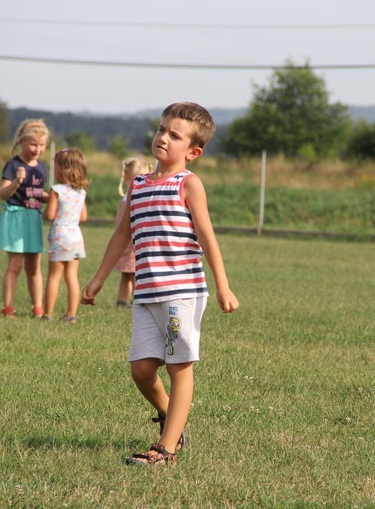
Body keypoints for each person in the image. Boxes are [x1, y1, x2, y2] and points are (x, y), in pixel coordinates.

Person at [81, 102, 239, 466]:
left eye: (175, 135)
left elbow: (207, 236)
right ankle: (173, 417)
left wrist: (223, 285)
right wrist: (98, 279)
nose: (163, 138)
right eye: (161, 129)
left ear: (193, 151)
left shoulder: (189, 184)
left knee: (178, 367)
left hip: (181, 294)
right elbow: (123, 235)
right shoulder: (137, 186)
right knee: (140, 368)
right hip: (146, 294)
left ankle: (166, 449)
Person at [0, 119, 50, 318]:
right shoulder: (13, 165)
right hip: (16, 218)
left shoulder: (42, 167)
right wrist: (16, 181)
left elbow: (37, 193)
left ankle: (38, 308)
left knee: (34, 267)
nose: (38, 149)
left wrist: (54, 198)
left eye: (42, 145)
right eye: (34, 144)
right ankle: (8, 307)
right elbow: (2, 194)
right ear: (22, 142)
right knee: (15, 265)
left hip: (33, 219)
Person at [43, 148, 91, 322]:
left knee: (54, 276)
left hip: (60, 235)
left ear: (64, 170)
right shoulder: (81, 192)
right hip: (76, 236)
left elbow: (49, 215)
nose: (54, 171)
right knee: (72, 276)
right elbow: (83, 217)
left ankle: (47, 314)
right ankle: (71, 314)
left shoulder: (56, 190)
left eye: (55, 168)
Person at [113, 157, 153, 309]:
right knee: (134, 274)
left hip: (133, 243)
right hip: (132, 243)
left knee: (131, 273)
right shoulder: (130, 200)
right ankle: (134, 300)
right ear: (129, 180)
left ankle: (124, 301)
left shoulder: (129, 199)